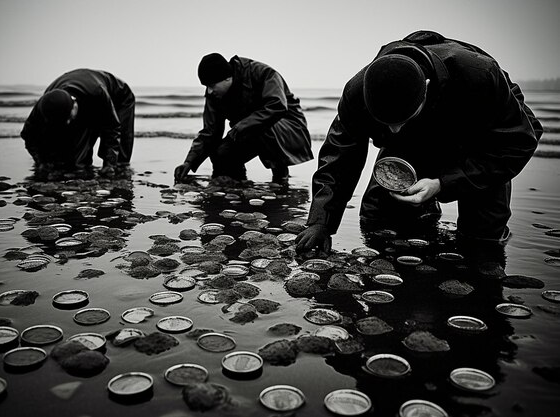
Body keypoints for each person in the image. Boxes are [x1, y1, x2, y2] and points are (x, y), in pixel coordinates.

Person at [296, 30, 543, 266]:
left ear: (425, 87)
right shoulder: (356, 93)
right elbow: (340, 155)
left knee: (482, 236)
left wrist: (443, 183)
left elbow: (516, 143)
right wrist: (321, 221)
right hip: (412, 141)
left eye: (401, 119)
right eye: (386, 123)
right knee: (377, 216)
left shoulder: (479, 75)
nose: (393, 130)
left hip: (481, 137)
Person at [174, 53, 313, 184]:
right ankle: (239, 183)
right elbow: (210, 131)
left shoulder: (263, 73)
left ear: (227, 78)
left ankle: (280, 177)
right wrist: (189, 162)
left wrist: (243, 125)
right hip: (246, 130)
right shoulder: (214, 94)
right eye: (206, 87)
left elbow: (277, 106)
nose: (209, 91)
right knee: (221, 153)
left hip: (288, 129)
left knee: (263, 125)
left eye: (211, 86)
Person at [21, 68, 135, 178]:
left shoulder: (96, 93)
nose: (68, 122)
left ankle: (120, 172)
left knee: (119, 159)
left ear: (74, 104)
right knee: (71, 157)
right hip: (82, 90)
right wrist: (41, 161)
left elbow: (112, 128)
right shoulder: (45, 105)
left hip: (119, 99)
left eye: (69, 118)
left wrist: (109, 164)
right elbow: (28, 135)